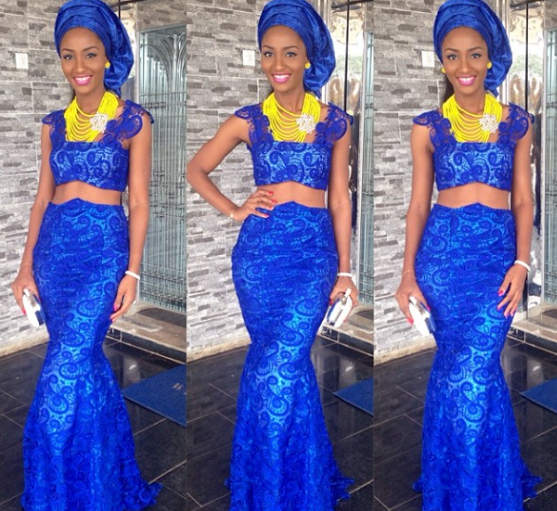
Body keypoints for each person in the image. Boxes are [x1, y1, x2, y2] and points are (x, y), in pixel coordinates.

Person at [187, 0, 357, 508]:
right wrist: (234, 209)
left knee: (280, 362)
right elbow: (196, 169)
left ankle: (272, 483)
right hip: (258, 257)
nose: (277, 63)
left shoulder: (335, 122)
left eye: (289, 52)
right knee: (278, 361)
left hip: (313, 256)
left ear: (308, 58)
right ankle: (291, 480)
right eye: (268, 53)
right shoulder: (249, 120)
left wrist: (346, 270)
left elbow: (340, 198)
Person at [10, 0, 160, 508]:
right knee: (85, 365)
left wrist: (133, 271)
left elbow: (139, 202)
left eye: (90, 54)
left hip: (102, 254)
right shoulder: (53, 124)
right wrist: (25, 267)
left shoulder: (133, 120)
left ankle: (55, 492)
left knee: (64, 368)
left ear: (107, 57)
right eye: (68, 56)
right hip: (54, 254)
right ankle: (102, 482)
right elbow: (40, 199)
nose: (79, 66)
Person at [395, 0, 541, 509]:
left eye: (474, 54)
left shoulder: (517, 122)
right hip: (441, 259)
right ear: (442, 62)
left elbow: (523, 200)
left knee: (473, 370)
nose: (464, 66)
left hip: (497, 260)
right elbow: (418, 205)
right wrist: (408, 274)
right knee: (458, 366)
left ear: (490, 58)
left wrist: (523, 263)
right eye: (452, 56)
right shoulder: (428, 126)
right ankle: (464, 481)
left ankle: (472, 486)